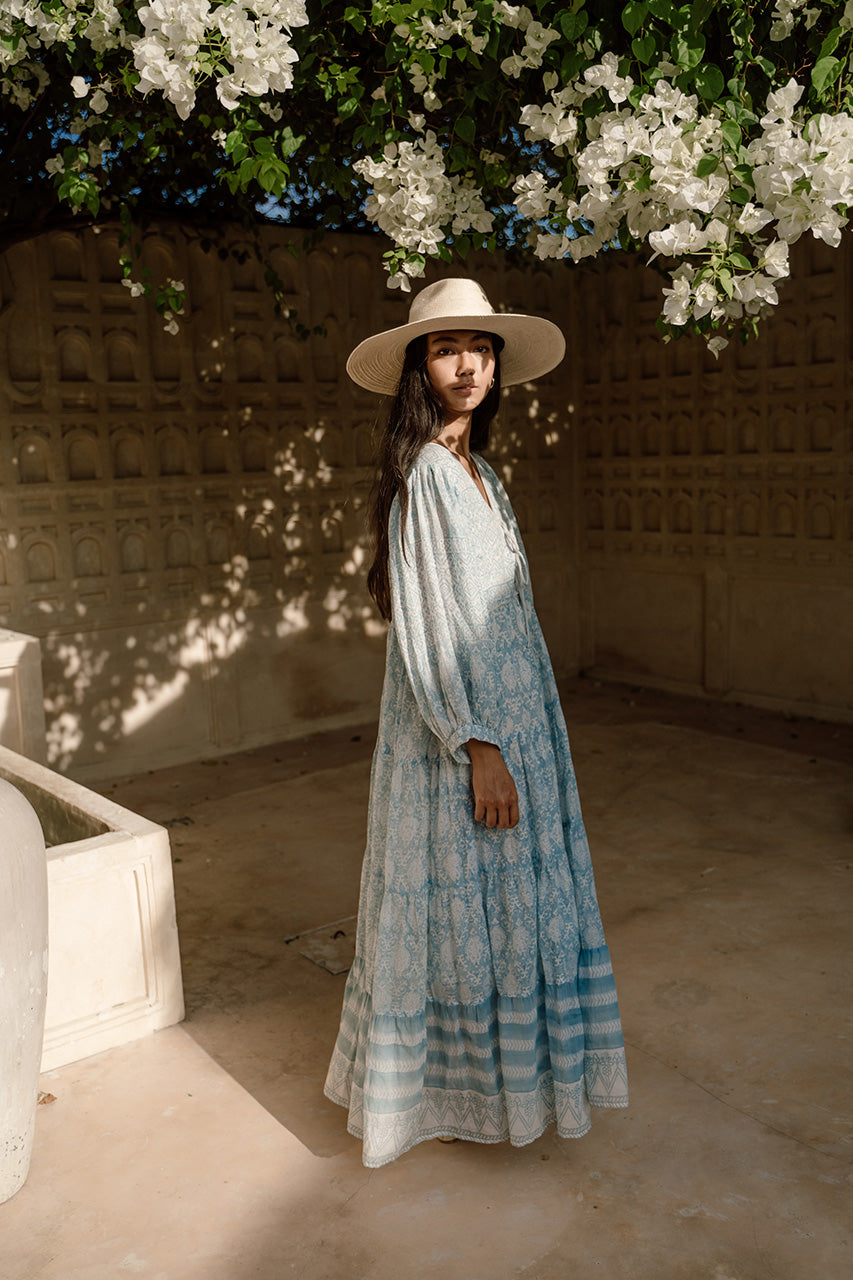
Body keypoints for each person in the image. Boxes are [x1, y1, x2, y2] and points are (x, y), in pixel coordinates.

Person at [324, 277, 628, 1168]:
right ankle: (449, 1094)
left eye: (483, 349)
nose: (470, 365)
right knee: (467, 909)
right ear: (420, 366)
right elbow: (428, 624)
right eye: (449, 348)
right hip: (458, 738)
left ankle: (508, 1091)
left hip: (520, 721)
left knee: (514, 906)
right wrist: (478, 747)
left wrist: (518, 733)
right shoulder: (425, 477)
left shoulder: (480, 472)